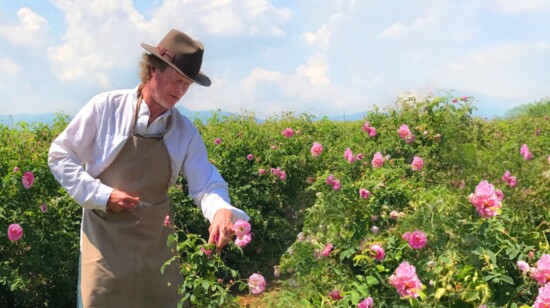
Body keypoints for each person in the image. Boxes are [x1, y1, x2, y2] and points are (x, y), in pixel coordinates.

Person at [48, 29, 250, 308]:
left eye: (187, 85)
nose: (180, 91)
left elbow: (205, 185)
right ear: (153, 69)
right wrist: (102, 195)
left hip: (156, 244)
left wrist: (221, 211)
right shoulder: (106, 107)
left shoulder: (183, 132)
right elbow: (60, 155)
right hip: (104, 241)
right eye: (176, 80)